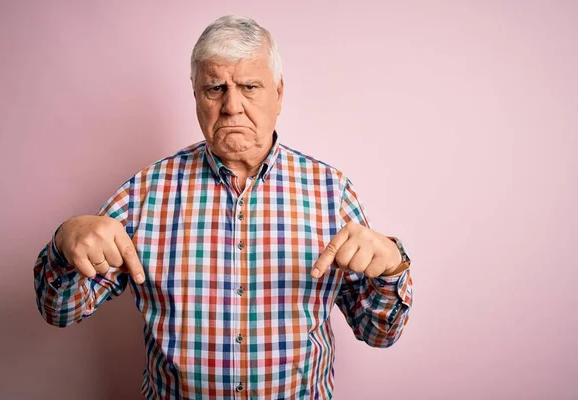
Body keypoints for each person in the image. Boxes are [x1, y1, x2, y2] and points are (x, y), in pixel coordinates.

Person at [33, 15, 413, 399]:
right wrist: (64, 243)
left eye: (250, 86)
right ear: (196, 95)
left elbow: (378, 333)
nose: (232, 106)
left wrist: (391, 267)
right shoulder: (144, 192)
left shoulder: (331, 192)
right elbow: (60, 311)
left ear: (278, 94)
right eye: (215, 87)